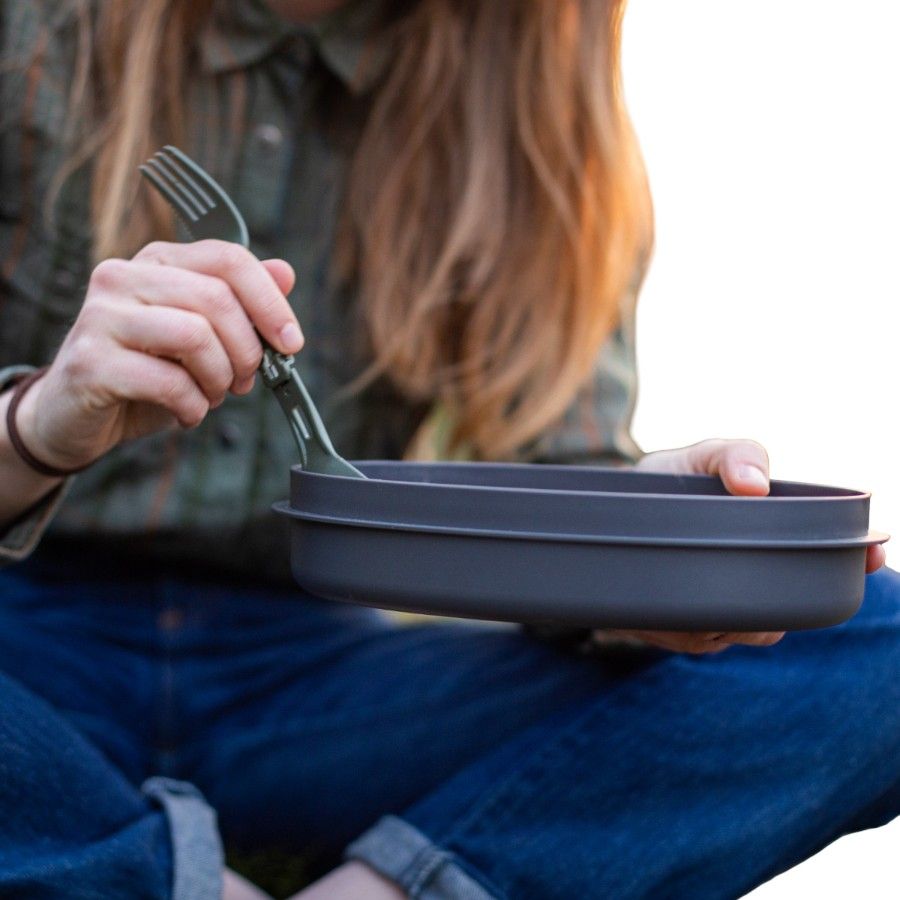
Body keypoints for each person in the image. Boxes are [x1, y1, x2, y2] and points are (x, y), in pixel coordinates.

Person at [0, 1, 896, 898]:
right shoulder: (38, 33)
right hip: (26, 656)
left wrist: (641, 551)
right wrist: (38, 425)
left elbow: (561, 467)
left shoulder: (526, 87)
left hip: (328, 694)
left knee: (879, 641)